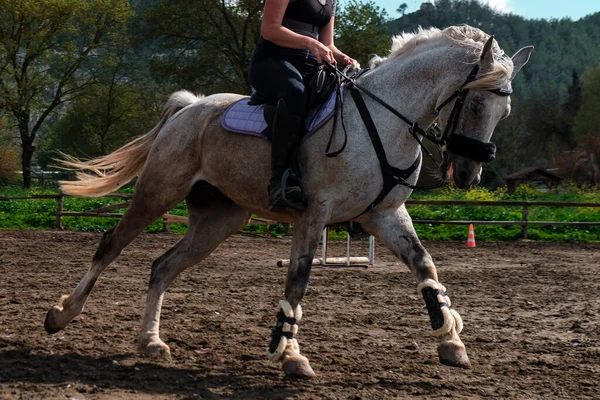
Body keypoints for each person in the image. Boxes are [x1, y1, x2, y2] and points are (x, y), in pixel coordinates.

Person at [249, 0, 356, 211]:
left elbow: (328, 44)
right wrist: (310, 43)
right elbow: (269, 29)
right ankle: (280, 182)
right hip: (272, 61)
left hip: (310, 66)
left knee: (345, 95)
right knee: (295, 93)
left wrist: (344, 58)